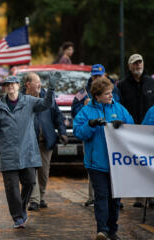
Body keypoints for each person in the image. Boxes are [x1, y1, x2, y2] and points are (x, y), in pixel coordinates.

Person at [0, 75, 55, 228]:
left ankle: (20, 208)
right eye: (8, 84)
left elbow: (46, 104)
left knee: (30, 182)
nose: (10, 86)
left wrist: (51, 89)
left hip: (27, 152)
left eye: (13, 84)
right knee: (12, 188)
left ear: (19, 85)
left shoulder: (29, 101)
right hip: (7, 153)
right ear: (5, 87)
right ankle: (18, 217)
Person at [73, 76, 133, 240]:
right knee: (101, 197)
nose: (111, 96)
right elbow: (79, 132)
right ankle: (103, 230)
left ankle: (113, 230)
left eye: (111, 93)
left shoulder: (119, 109)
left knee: (114, 199)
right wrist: (90, 125)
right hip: (96, 164)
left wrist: (124, 127)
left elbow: (132, 129)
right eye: (107, 94)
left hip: (117, 163)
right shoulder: (86, 111)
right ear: (97, 96)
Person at [71, 64, 121, 208]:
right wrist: (85, 106)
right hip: (92, 135)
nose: (96, 78)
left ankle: (115, 198)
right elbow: (75, 110)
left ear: (104, 75)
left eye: (99, 75)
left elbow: (117, 105)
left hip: (113, 139)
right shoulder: (82, 91)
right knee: (93, 165)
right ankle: (92, 197)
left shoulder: (113, 88)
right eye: (94, 76)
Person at [23, 72, 68, 211]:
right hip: (29, 143)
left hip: (46, 141)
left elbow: (58, 117)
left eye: (40, 82)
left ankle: (41, 197)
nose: (39, 85)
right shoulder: (22, 100)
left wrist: (62, 132)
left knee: (43, 173)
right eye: (37, 82)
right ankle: (34, 200)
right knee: (31, 172)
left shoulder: (48, 98)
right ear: (28, 85)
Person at [117, 53, 154, 208]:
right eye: (135, 63)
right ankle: (136, 197)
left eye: (140, 63)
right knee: (133, 164)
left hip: (149, 131)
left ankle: (149, 196)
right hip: (130, 130)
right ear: (129, 66)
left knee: (149, 164)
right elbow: (119, 106)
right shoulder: (122, 85)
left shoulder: (151, 83)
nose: (138, 65)